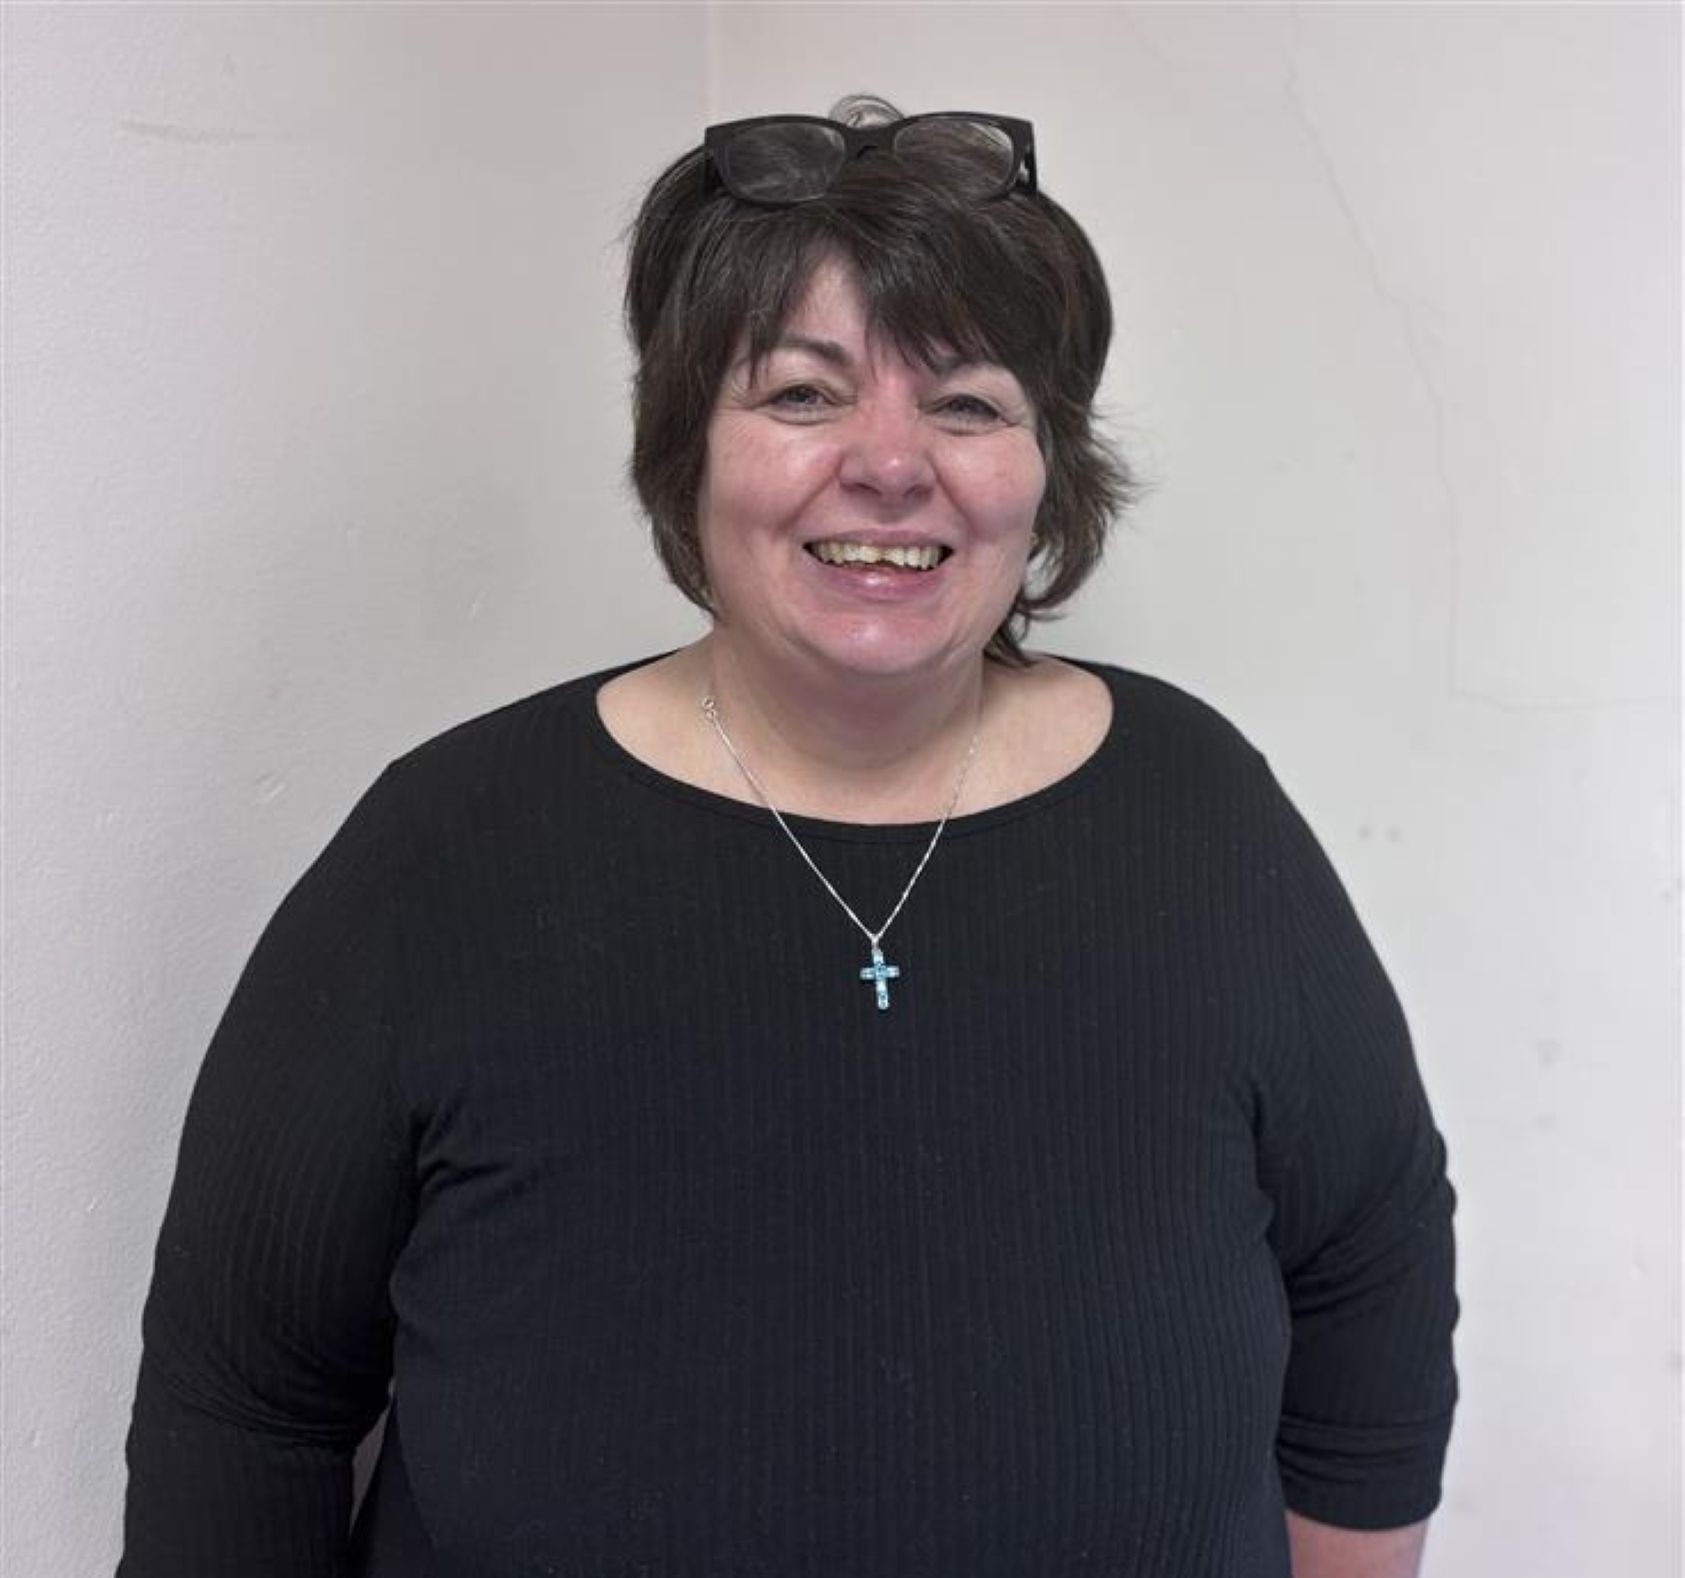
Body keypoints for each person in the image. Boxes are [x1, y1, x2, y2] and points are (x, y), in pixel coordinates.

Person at [118, 100, 1457, 1578]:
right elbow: (244, 1406)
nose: (890, 463)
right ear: (686, 448)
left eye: (967, 404)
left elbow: (1370, 1268)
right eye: (804, 393)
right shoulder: (441, 850)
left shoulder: (1199, 810)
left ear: (1044, 470)